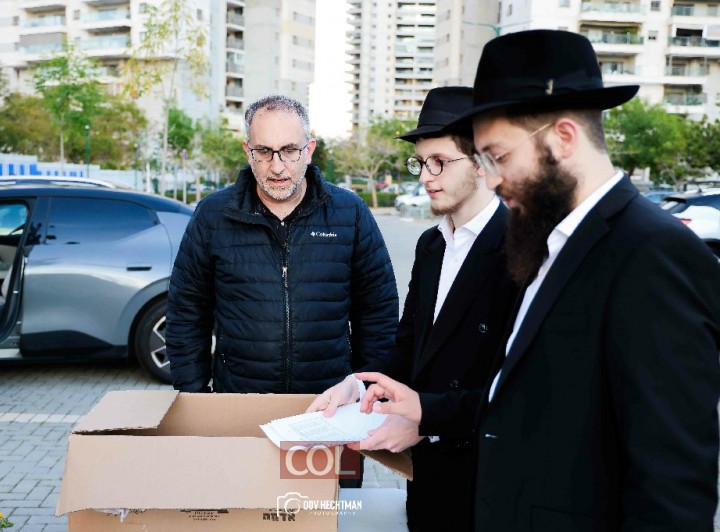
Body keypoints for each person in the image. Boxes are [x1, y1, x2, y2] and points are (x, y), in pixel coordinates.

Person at [358, 30, 720, 531]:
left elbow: (671, 491)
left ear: (564, 137)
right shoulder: (547, 242)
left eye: (499, 157)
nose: (491, 178)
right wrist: (420, 409)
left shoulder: (654, 253)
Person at [307, 86, 519, 531]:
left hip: (491, 482)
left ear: (481, 161)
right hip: (427, 480)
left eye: (439, 161)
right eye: (420, 162)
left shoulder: (522, 249)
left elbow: (518, 391)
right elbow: (408, 346)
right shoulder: (431, 245)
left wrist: (425, 421)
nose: (425, 176)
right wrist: (357, 385)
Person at [166, 94, 398, 395]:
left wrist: (366, 390)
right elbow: (186, 314)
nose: (277, 167)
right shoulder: (212, 215)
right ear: (248, 151)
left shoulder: (350, 212)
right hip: (240, 402)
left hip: (330, 403)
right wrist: (194, 398)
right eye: (264, 151)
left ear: (309, 150)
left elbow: (378, 315)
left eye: (289, 151)